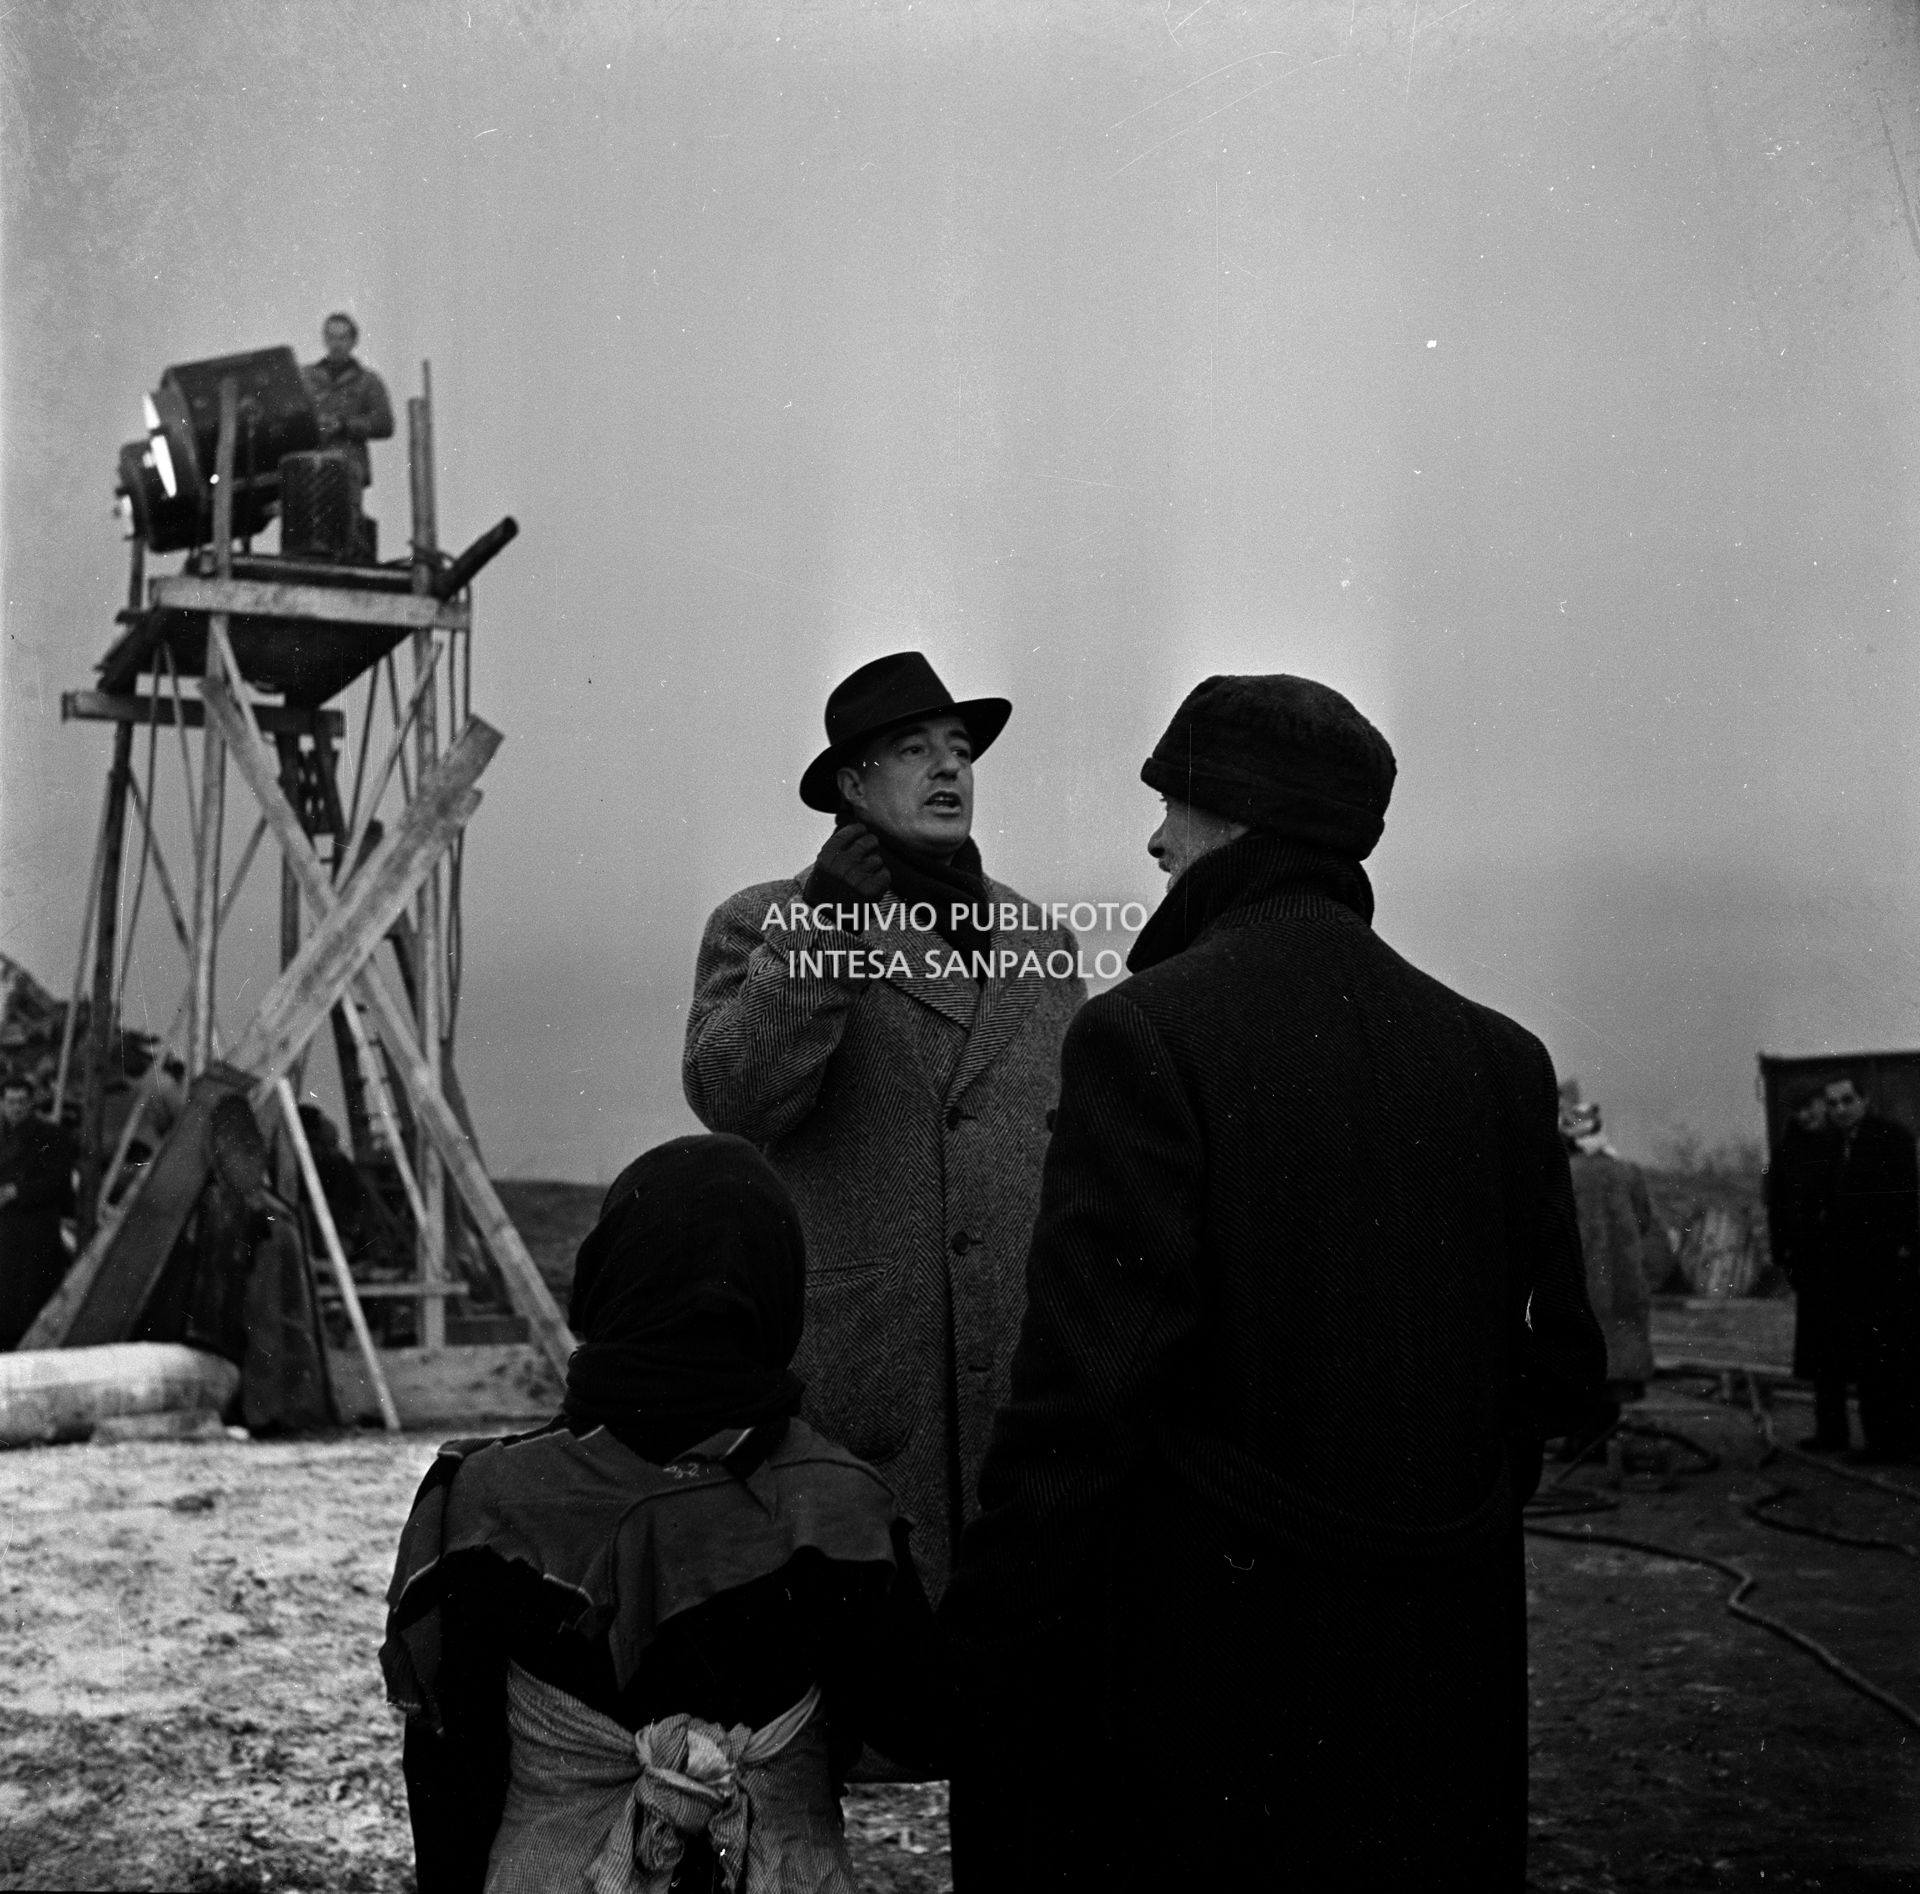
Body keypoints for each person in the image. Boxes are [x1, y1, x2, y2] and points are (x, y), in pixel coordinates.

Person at [942, 673, 1610, 1891]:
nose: (1155, 842)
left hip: (1221, 1675)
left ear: (1242, 816)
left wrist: (989, 1623)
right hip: (1442, 1663)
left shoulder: (1145, 1032)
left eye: (1173, 806)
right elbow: (1560, 1370)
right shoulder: (1503, 1058)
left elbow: (1086, 1396)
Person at [381, 1134, 949, 1894]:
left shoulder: (487, 1498)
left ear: (607, 1278)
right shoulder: (838, 1505)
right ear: (778, 1296)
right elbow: (920, 1727)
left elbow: (450, 1780)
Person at [683, 651, 1083, 1598]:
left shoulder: (1045, 940)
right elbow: (732, 1098)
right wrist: (824, 930)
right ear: (852, 787)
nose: (950, 769)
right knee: (870, 1654)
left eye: (961, 750)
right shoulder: (764, 919)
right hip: (861, 1391)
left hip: (1022, 1395)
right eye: (914, 750)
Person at [134, 1095, 333, 1432]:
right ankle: (278, 1410)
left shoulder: (240, 1189)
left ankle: (266, 1413)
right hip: (264, 1238)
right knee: (275, 1327)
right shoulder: (247, 1192)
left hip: (262, 1245)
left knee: (267, 1325)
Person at [1824, 1076, 1919, 1462]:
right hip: (1854, 1271)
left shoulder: (1890, 1139)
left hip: (1887, 1269)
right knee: (1866, 1358)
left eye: (1847, 1100)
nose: (1840, 1109)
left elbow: (1906, 1200)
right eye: (1833, 1104)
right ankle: (1880, 1441)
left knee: (1894, 1356)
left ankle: (1900, 1442)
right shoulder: (1835, 1145)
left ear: (1864, 1100)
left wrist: (1901, 1251)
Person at [1560, 1086, 1658, 1401]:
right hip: (1626, 1278)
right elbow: (1644, 1221)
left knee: (1586, 1349)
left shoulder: (1565, 1175)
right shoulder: (1627, 1173)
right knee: (1623, 1345)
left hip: (1584, 1279)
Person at [1768, 1078, 1849, 1449]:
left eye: (1810, 1106)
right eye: (1799, 1110)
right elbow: (1777, 1207)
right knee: (1823, 1353)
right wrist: (1782, 1254)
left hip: (1846, 1262)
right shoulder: (1789, 1150)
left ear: (1821, 1104)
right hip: (1812, 1265)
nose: (1806, 1115)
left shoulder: (1842, 1144)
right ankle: (1831, 1432)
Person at [0, 1074, 74, 1350]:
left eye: (22, 1101)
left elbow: (59, 1182)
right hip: (5, 1229)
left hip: (34, 1229)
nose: (16, 1108)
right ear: (1, 1104)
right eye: (10, 1102)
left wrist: (17, 1191)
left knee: (29, 1299)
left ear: (31, 1103)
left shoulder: (50, 1136)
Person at [301, 312, 394, 491]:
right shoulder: (306, 378)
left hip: (349, 469)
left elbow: (384, 423)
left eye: (342, 338)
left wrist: (345, 425)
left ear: (353, 341)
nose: (336, 344)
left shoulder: (367, 381)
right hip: (310, 468)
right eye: (331, 337)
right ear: (324, 339)